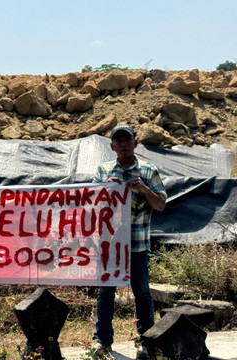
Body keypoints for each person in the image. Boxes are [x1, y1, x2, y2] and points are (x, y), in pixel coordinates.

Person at [92, 123, 167, 359]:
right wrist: (107, 189)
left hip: (136, 244)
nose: (123, 144)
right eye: (119, 141)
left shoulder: (148, 171)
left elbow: (161, 205)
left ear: (136, 143)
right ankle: (102, 341)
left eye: (128, 140)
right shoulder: (103, 170)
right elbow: (92, 204)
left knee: (142, 292)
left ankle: (147, 341)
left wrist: (144, 190)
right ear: (112, 146)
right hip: (110, 245)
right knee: (105, 292)